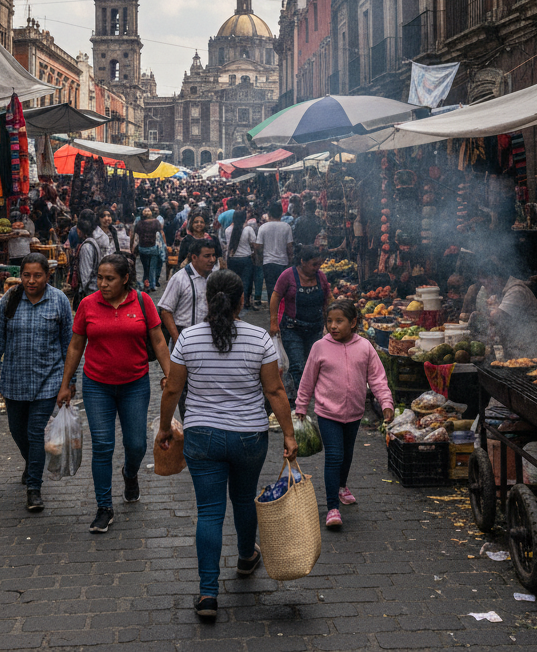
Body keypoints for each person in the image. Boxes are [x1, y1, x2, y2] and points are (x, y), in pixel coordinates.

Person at [156, 270, 298, 621]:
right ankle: (247, 557)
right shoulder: (259, 338)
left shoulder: (188, 338)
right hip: (249, 435)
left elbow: (172, 389)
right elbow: (275, 391)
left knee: (209, 512)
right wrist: (289, 434)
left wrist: (164, 428)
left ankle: (208, 594)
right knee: (244, 498)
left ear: (208, 299)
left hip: (202, 436)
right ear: (241, 301)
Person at [56, 253, 171, 535]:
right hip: (97, 386)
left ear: (125, 279)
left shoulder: (143, 302)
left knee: (136, 444)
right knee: (103, 446)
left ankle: (130, 474)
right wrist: (65, 383)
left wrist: (170, 374)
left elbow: (158, 340)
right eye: (100, 278)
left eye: (110, 279)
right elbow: (75, 346)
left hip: (135, 384)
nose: (103, 284)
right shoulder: (87, 304)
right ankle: (104, 507)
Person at [0, 253, 73, 512]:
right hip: (14, 380)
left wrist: (69, 381)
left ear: (48, 276)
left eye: (37, 275)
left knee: (35, 432)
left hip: (48, 380)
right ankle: (32, 463)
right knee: (18, 432)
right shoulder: (10, 299)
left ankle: (34, 488)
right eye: (26, 275)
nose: (31, 281)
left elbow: (69, 344)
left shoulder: (59, 301)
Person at [295, 298, 394, 528]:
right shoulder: (320, 347)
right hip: (327, 412)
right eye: (329, 321)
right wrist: (301, 405)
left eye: (339, 321)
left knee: (347, 454)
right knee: (334, 456)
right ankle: (332, 508)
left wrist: (386, 403)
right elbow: (307, 380)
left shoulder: (365, 347)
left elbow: (377, 378)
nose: (333, 326)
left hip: (355, 413)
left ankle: (341, 486)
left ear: (353, 322)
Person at [269, 246, 329, 394]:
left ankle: (308, 394)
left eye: (319, 264)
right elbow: (275, 296)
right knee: (297, 366)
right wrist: (273, 322)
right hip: (292, 329)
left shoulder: (321, 277)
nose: (317, 267)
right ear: (303, 261)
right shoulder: (288, 275)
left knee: (313, 364)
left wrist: (330, 321)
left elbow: (327, 299)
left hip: (315, 328)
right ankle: (300, 398)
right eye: (314, 264)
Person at [159, 238, 216, 345]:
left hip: (208, 337)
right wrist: (178, 340)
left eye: (213, 255)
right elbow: (165, 311)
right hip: (185, 336)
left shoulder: (214, 277)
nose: (212, 260)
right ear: (194, 257)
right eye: (207, 256)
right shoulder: (179, 279)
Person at [254, 203, 293, 298]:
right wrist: (290, 261)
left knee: (271, 289)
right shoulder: (286, 227)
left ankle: (272, 306)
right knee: (283, 289)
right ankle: (281, 306)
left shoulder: (263, 227)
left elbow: (258, 246)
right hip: (283, 262)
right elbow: (289, 247)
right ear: (281, 213)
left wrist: (259, 260)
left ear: (269, 214)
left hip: (268, 263)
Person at [225, 210, 257, 308]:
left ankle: (234, 301)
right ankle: (245, 301)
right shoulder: (248, 229)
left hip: (232, 259)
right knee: (246, 281)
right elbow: (254, 244)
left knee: (233, 281)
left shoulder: (227, 230)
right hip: (245, 259)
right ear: (244, 219)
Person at [74, 211, 103, 301]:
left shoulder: (86, 247)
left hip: (90, 291)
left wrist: (82, 291)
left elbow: (85, 274)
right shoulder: (93, 242)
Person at [132, 208, 162, 293]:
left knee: (145, 268)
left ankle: (146, 284)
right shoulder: (156, 222)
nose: (147, 212)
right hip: (153, 247)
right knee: (152, 267)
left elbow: (136, 237)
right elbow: (160, 234)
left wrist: (133, 248)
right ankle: (152, 285)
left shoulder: (139, 223)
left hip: (143, 248)